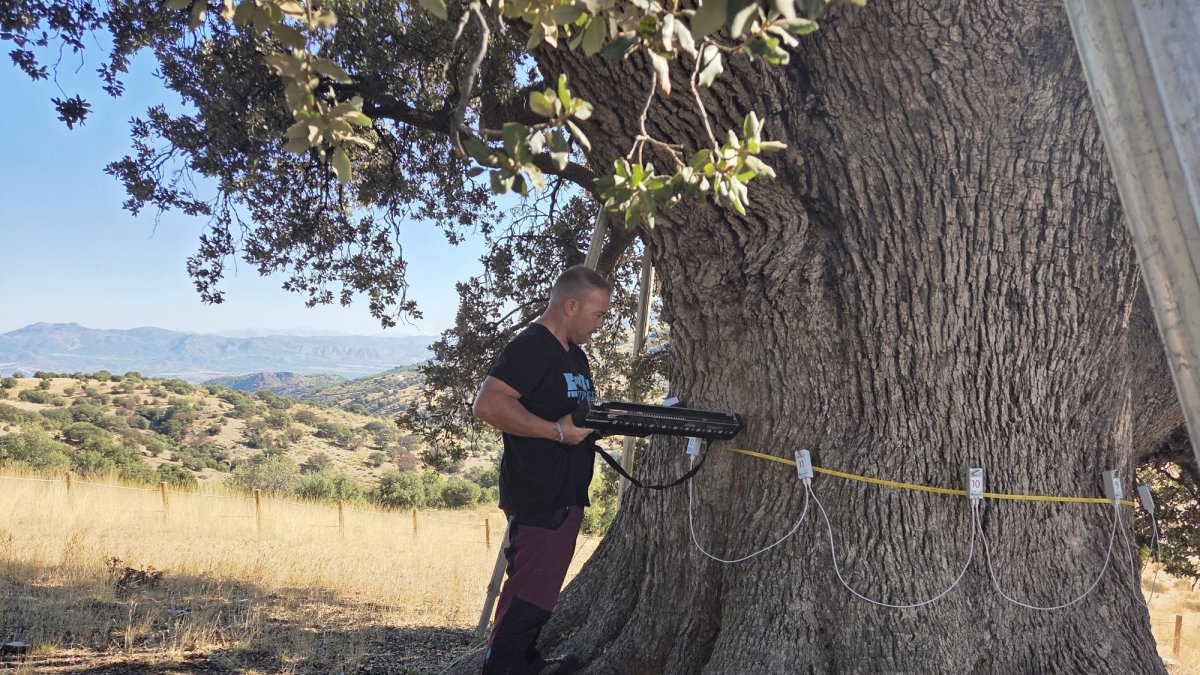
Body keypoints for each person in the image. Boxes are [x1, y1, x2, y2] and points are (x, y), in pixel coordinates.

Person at [472, 265, 612, 675]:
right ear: (570, 306)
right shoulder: (532, 346)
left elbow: (571, 416)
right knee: (527, 596)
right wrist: (556, 432)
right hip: (539, 495)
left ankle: (526, 664)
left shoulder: (574, 353)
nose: (601, 325)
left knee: (541, 592)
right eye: (598, 315)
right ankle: (502, 669)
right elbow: (488, 404)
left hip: (564, 494)